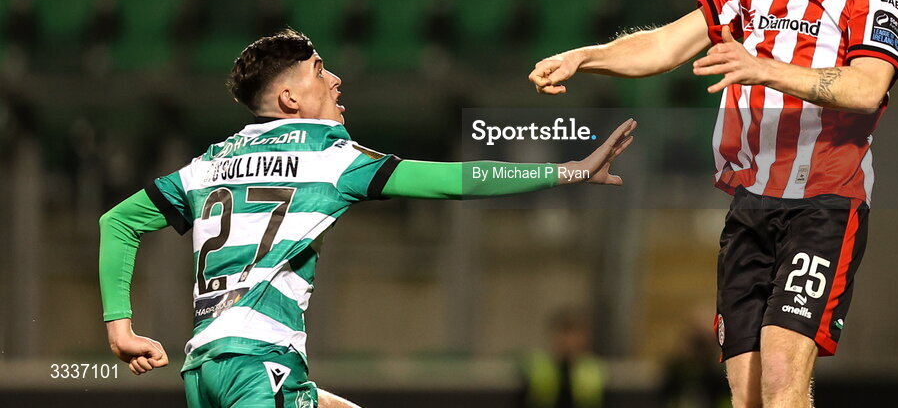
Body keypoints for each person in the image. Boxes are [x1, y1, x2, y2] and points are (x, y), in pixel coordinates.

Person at [529, 0, 898, 408]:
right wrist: (587, 56)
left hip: (824, 203)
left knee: (785, 371)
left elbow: (866, 87)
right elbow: (670, 43)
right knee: (747, 393)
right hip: (749, 204)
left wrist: (766, 69)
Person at [99, 29, 637, 408]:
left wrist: (121, 330)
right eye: (318, 71)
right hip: (258, 364)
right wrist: (568, 172)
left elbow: (117, 224)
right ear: (289, 97)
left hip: (206, 367)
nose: (335, 80)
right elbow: (457, 180)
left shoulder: (207, 164)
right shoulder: (332, 158)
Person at [518, 309, 606, 408]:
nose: (569, 341)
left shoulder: (593, 370)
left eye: (575, 334)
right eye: (564, 333)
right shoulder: (539, 368)